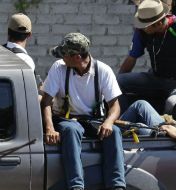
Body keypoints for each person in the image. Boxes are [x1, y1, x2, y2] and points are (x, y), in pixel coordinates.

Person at [41, 33, 126, 190]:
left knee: (113, 132)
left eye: (64, 54)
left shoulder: (103, 71)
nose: (61, 58)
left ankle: (117, 185)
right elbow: (46, 102)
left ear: (77, 57)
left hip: (92, 120)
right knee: (71, 130)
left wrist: (108, 121)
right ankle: (76, 186)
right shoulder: (59, 68)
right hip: (66, 120)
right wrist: (49, 128)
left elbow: (115, 106)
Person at [117, 0, 176, 114]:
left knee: (172, 104)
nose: (142, 28)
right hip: (154, 78)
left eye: (145, 26)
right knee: (119, 81)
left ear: (158, 23)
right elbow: (131, 57)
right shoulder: (141, 32)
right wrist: (114, 84)